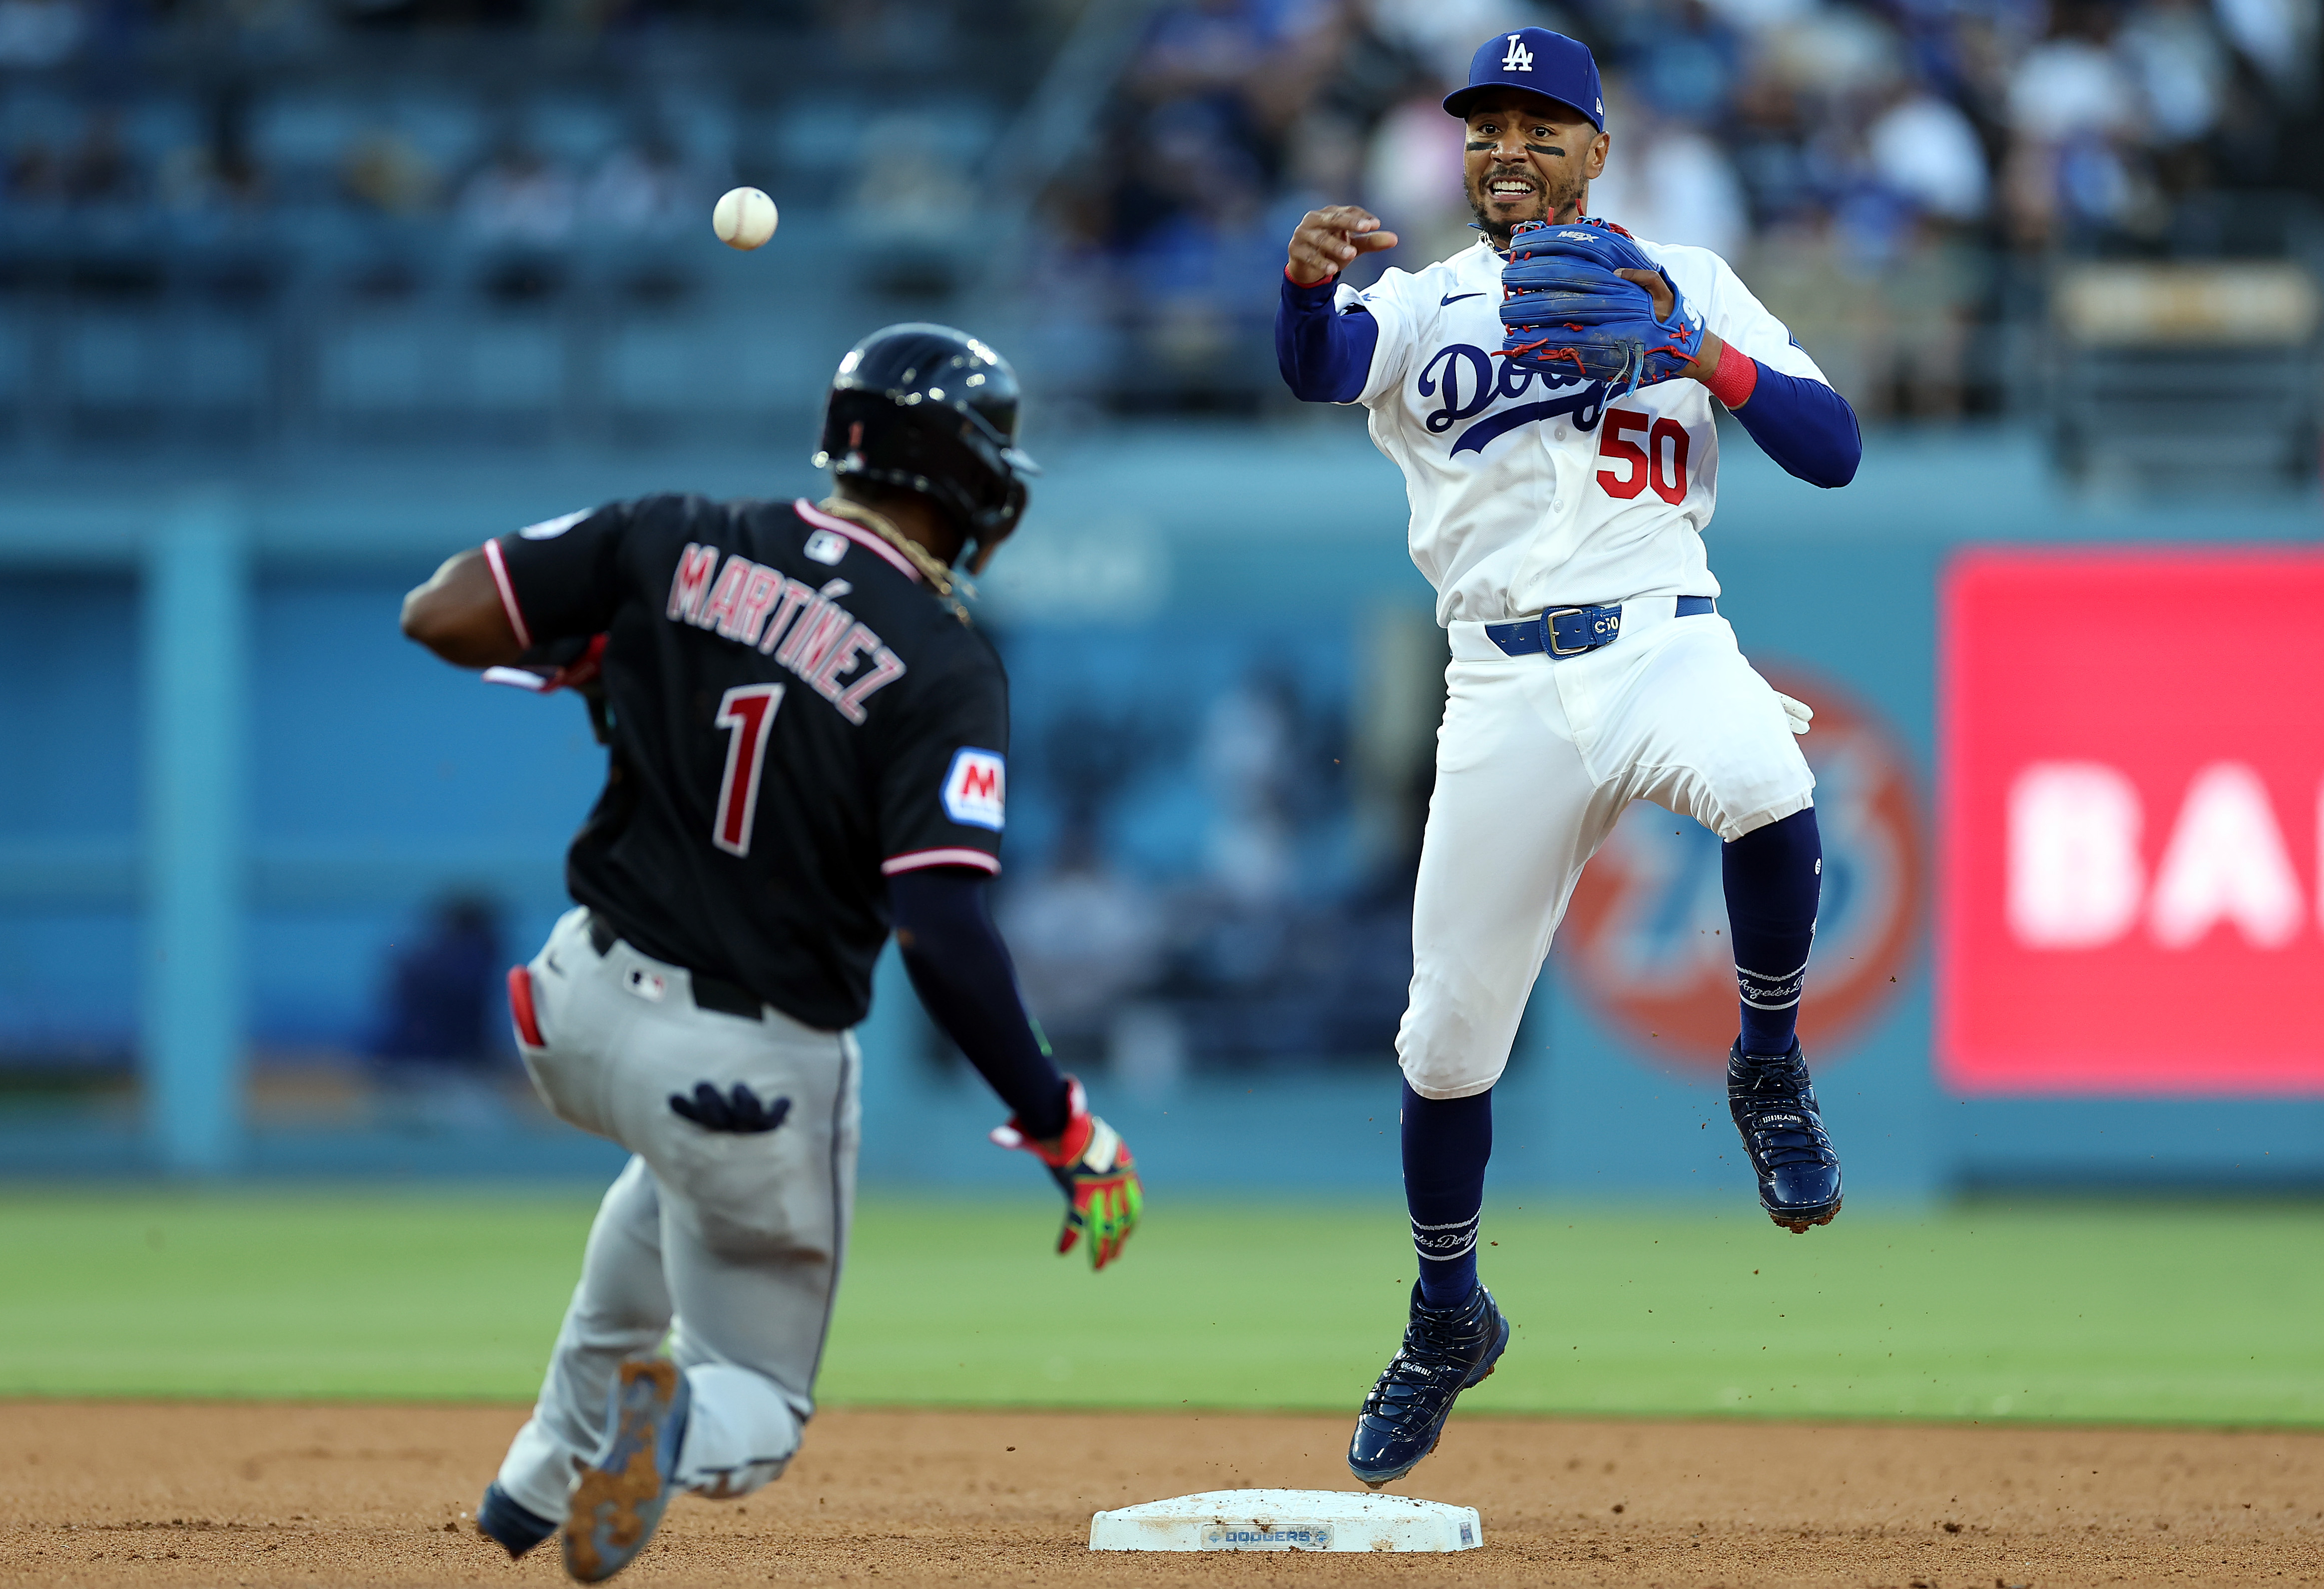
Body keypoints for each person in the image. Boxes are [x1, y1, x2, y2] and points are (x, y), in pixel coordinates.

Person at [398, 323, 1143, 1582]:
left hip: (573, 1009)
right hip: (747, 1060)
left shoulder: (676, 531)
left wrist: (590, 662)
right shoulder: (943, 660)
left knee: (667, 1186)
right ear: (962, 472)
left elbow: (443, 614)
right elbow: (943, 931)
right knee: (756, 1400)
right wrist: (1060, 1122)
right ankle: (675, 1418)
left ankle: (534, 1482)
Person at [1273, 28, 1861, 1489]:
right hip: (1498, 683)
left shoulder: (1686, 277)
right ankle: (1443, 1312)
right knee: (1444, 1044)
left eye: (1541, 125)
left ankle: (1769, 1065)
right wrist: (1298, 288)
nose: (1508, 148)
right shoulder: (1419, 305)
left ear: (1598, 149)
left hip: (1661, 634)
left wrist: (1690, 348)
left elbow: (1834, 444)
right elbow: (1320, 366)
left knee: (1769, 785)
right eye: (1485, 127)